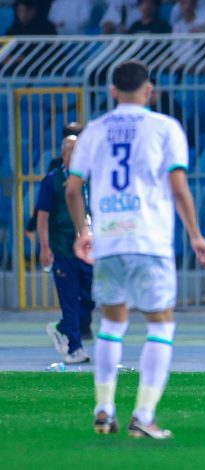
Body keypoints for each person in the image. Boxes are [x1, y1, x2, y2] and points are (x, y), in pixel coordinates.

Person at [65, 60, 205, 438]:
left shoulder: (94, 131)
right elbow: (178, 187)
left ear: (112, 91)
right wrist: (195, 234)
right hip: (149, 240)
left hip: (110, 239)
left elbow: (72, 188)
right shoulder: (165, 128)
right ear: (149, 90)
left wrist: (84, 230)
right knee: (160, 324)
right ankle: (143, 415)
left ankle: (103, 408)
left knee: (112, 324)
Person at [40, 135, 95, 363]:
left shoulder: (89, 180)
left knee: (90, 296)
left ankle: (61, 328)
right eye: (74, 151)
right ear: (64, 154)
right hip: (63, 247)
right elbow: (42, 216)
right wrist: (44, 247)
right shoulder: (52, 181)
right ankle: (75, 348)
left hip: (88, 249)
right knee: (70, 299)